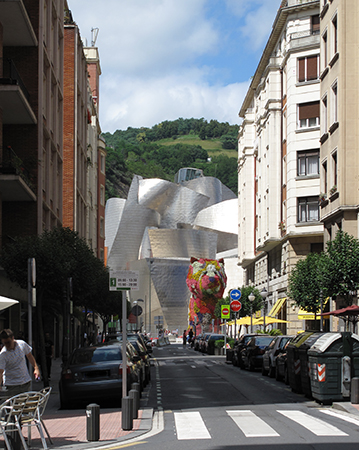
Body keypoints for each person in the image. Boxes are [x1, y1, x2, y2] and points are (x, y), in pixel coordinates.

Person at [0, 329, 40, 397]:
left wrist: (36, 368)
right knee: (14, 406)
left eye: (8, 342)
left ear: (13, 338)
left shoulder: (22, 344)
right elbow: (0, 372)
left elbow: (29, 355)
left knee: (26, 405)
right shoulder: (3, 354)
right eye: (4, 343)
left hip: (25, 382)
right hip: (11, 385)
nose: (7, 345)